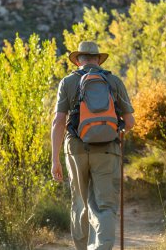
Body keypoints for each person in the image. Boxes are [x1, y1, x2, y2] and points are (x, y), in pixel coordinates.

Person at [51, 41, 135, 250]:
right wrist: (114, 131)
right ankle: (100, 247)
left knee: (80, 202)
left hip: (76, 148)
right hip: (107, 149)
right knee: (105, 205)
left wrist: (55, 160)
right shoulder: (113, 81)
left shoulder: (68, 82)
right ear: (98, 59)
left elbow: (58, 121)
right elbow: (130, 122)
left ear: (78, 59)